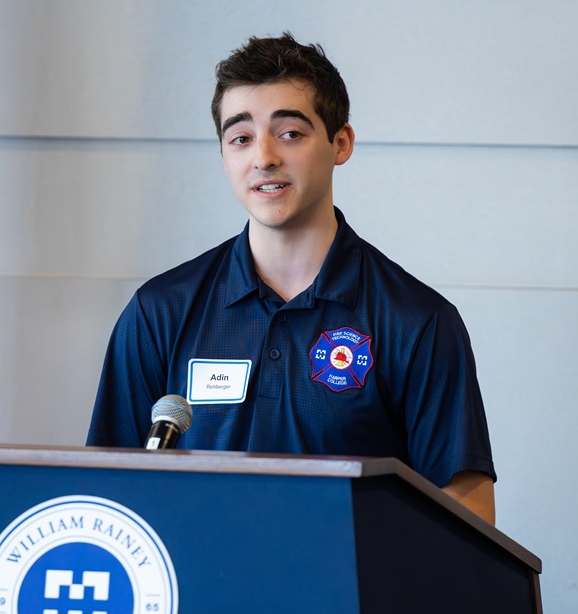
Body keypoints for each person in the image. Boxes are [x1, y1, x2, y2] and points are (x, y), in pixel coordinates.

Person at [86, 33, 497, 524]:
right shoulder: (160, 311)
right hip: (199, 596)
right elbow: (107, 496)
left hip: (347, 599)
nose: (263, 158)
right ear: (223, 153)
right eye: (240, 137)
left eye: (289, 133)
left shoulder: (417, 321)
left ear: (340, 143)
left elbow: (467, 520)